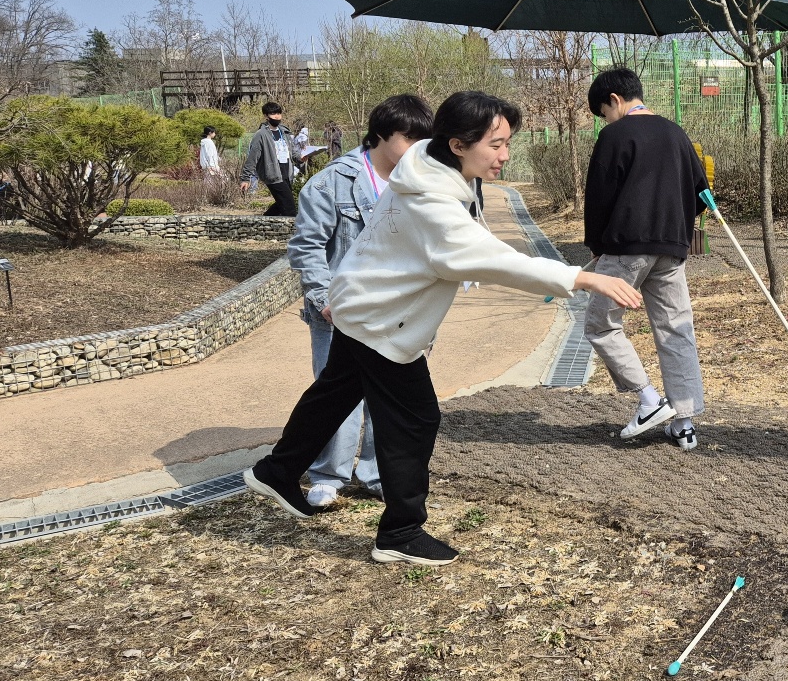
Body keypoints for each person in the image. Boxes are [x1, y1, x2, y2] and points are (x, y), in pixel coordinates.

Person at [245, 91, 643, 566]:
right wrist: (583, 277)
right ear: (456, 143)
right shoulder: (432, 203)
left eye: (507, 142)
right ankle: (400, 531)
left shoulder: (426, 165)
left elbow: (462, 239)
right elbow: (492, 258)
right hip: (380, 322)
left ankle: (277, 470)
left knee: (334, 391)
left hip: (361, 307)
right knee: (415, 420)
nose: (505, 154)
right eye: (495, 144)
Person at [288, 94, 434, 507]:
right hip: (341, 313)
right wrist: (323, 298)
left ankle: (374, 472)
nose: (419, 149)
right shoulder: (332, 182)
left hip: (399, 313)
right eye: (411, 139)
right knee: (337, 393)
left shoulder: (420, 182)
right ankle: (327, 474)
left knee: (390, 397)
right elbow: (306, 247)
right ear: (383, 134)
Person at [582, 67, 711, 450]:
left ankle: (649, 400)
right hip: (672, 247)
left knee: (600, 324)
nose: (605, 119)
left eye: (604, 111)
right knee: (675, 328)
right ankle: (685, 423)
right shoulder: (675, 131)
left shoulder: (614, 135)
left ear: (615, 101)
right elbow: (700, 187)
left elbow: (599, 195)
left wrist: (595, 244)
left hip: (626, 247)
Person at [242, 102, 300, 216]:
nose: (277, 116)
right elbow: (252, 157)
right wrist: (245, 178)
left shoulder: (285, 132)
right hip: (272, 172)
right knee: (290, 208)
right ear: (266, 116)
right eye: (273, 114)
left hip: (286, 172)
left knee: (281, 203)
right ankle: (292, 232)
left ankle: (262, 224)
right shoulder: (261, 135)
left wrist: (301, 157)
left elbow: (292, 152)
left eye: (279, 113)